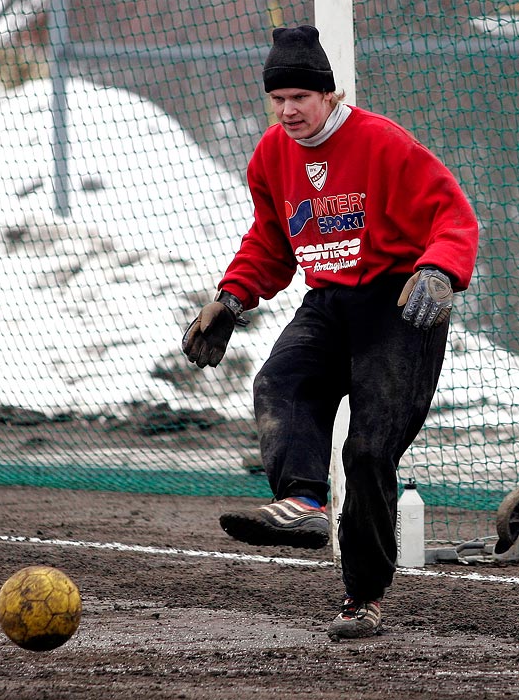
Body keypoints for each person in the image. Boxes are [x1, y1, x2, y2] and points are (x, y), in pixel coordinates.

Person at [182, 25, 479, 640]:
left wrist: (440, 269)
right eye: (279, 99)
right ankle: (304, 503)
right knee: (281, 381)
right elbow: (271, 239)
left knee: (369, 452)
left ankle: (362, 598)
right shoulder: (270, 154)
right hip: (330, 301)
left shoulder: (382, 143)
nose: (288, 110)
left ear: (330, 95)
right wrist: (231, 297)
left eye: (300, 98)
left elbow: (452, 213)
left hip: (399, 304)